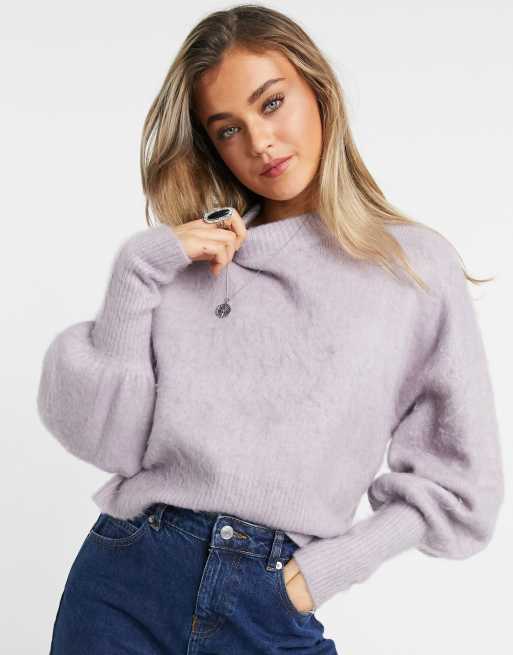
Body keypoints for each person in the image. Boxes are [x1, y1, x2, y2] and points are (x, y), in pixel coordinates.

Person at [38, 5, 504, 654]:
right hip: (125, 584)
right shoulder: (192, 261)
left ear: (318, 90)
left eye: (272, 103)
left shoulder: (411, 268)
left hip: (268, 598)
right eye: (229, 129)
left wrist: (320, 574)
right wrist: (138, 269)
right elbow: (109, 442)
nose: (259, 142)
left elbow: (461, 485)